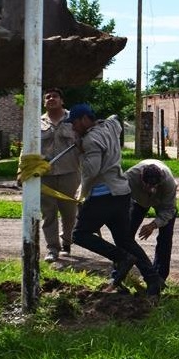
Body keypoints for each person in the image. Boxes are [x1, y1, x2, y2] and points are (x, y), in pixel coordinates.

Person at [66, 104, 162, 298]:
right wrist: (109, 118)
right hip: (121, 194)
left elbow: (92, 171)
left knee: (79, 235)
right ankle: (153, 280)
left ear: (85, 119)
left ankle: (121, 258)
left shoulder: (90, 140)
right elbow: (116, 120)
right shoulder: (109, 126)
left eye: (75, 123)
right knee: (125, 240)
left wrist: (81, 149)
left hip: (103, 195)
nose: (73, 128)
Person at [39, 88, 80, 263]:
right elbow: (27, 148)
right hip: (45, 175)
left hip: (69, 173)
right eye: (47, 97)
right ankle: (52, 249)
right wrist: (21, 170)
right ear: (44, 102)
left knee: (69, 213)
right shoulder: (37, 122)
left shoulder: (74, 120)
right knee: (48, 214)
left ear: (62, 100)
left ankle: (67, 242)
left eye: (55, 96)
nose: (51, 99)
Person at [123, 159, 178, 284]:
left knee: (165, 237)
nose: (151, 190)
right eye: (147, 185)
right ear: (141, 177)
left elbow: (169, 210)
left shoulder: (169, 184)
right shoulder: (129, 177)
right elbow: (119, 196)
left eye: (154, 186)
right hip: (139, 202)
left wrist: (153, 225)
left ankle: (159, 278)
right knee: (125, 235)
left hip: (162, 203)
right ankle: (119, 272)